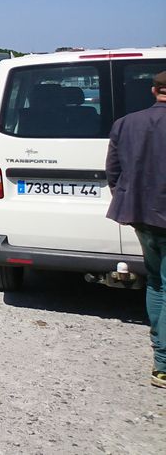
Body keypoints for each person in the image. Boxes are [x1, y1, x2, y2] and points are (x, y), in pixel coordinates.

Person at [106, 70, 166, 389]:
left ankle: (160, 349)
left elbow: (113, 173)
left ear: (154, 90)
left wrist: (128, 200)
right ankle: (163, 363)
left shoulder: (125, 123)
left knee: (156, 281)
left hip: (141, 215)